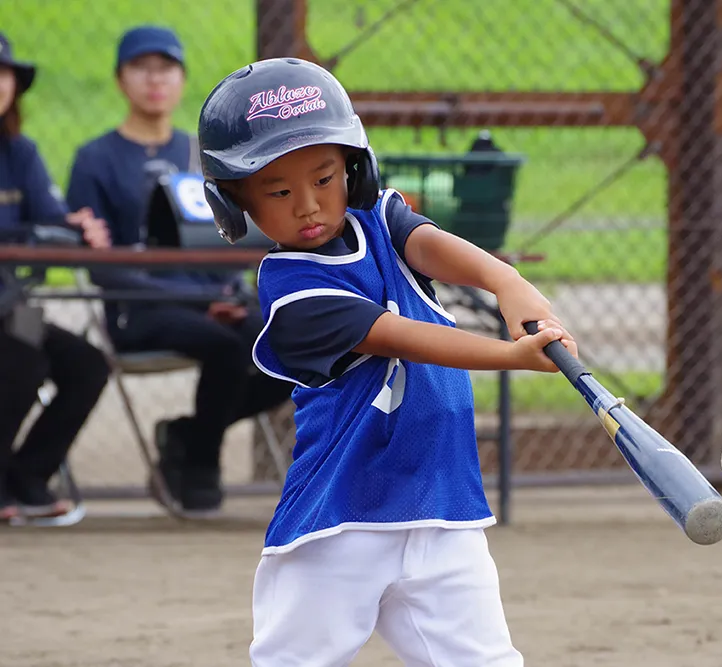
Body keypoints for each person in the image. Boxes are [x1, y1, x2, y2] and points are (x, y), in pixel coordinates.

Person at [198, 58, 577, 666]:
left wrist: (506, 282)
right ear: (233, 201)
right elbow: (398, 335)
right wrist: (511, 356)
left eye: (324, 178)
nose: (308, 205)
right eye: (278, 191)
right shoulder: (292, 290)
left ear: (354, 168)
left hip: (443, 504)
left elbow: (424, 241)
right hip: (343, 518)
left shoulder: (377, 219)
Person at [65, 26, 290, 516]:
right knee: (225, 345)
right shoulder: (95, 159)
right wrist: (197, 301)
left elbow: (236, 237)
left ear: (182, 80)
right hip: (141, 308)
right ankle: (203, 462)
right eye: (142, 69)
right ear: (121, 80)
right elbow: (100, 267)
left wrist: (229, 294)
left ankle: (189, 433)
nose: (155, 80)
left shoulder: (201, 155)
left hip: (213, 301)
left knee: (291, 340)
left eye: (166, 69)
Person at [0, 32, 111, 522]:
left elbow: (51, 219)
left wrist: (77, 226)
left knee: (86, 364)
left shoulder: (19, 152)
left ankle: (26, 477)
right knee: (22, 361)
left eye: (4, 74)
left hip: (10, 305)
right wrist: (33, 229)